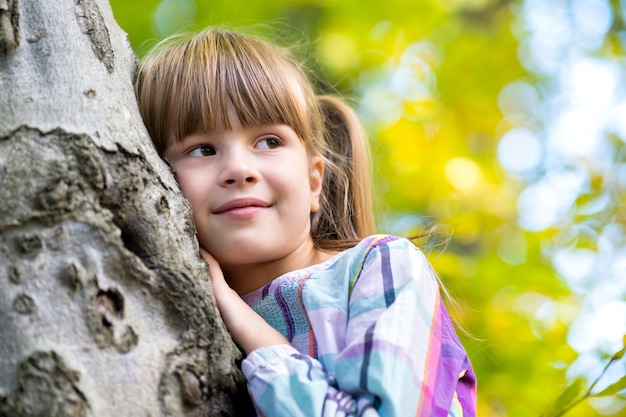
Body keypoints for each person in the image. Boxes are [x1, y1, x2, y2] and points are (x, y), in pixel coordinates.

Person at [135, 26, 477, 416]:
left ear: (314, 181)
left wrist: (248, 327)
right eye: (202, 149)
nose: (239, 170)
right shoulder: (155, 310)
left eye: (268, 141)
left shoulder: (381, 269)